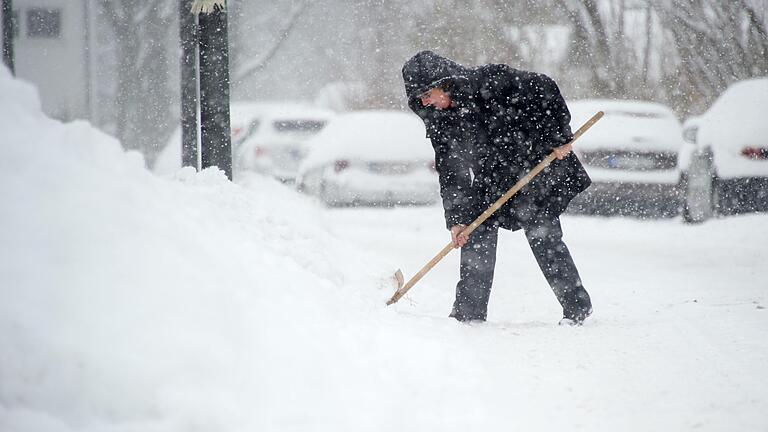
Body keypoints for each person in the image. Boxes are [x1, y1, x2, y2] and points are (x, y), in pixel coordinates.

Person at [402, 50, 593, 325]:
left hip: (531, 168)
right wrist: (456, 219)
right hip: (490, 179)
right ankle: (469, 316)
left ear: (443, 83)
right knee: (474, 231)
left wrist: (559, 136)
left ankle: (577, 308)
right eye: (419, 100)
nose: (425, 102)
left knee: (544, 236)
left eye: (426, 94)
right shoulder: (440, 119)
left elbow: (545, 88)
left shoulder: (490, 81)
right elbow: (451, 171)